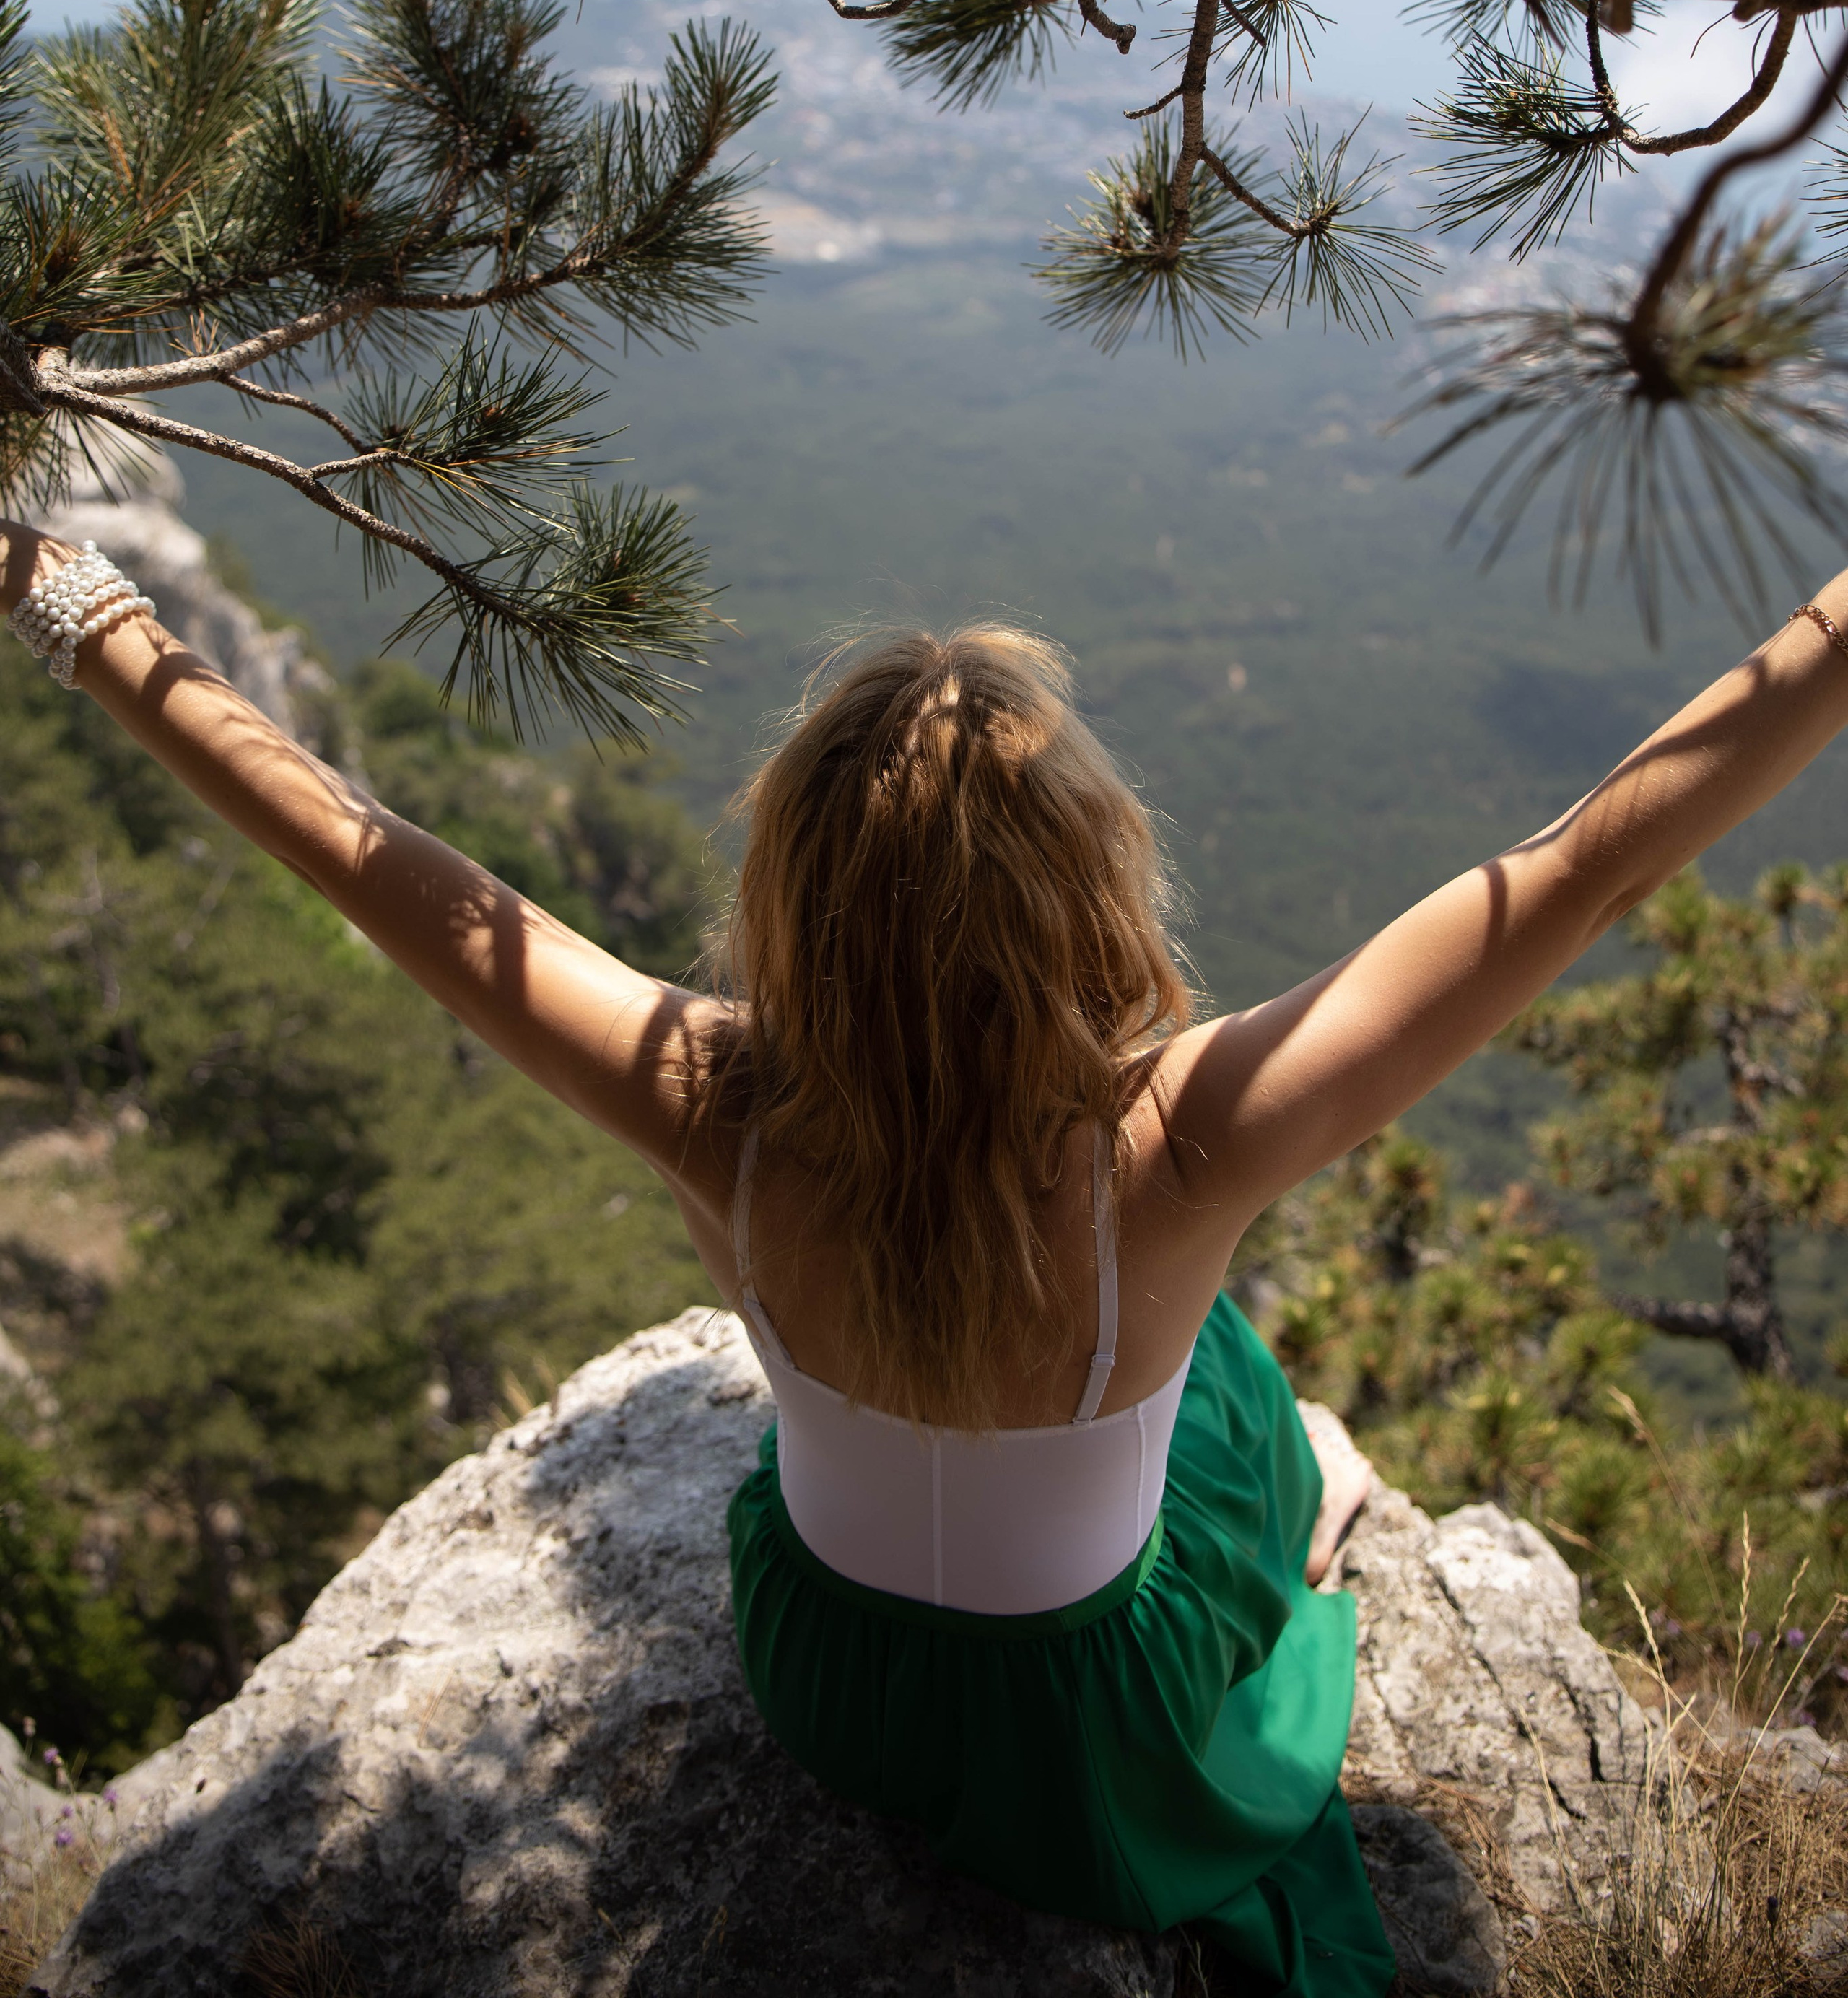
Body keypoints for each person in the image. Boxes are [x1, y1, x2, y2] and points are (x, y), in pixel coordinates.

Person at [9, 523, 1848, 1994]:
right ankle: (1324, 1495)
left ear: (790, 900)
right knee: (1237, 1403)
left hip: (835, 1677)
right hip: (1091, 1738)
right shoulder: (1178, 1144)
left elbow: (364, 854)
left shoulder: (703, 1102)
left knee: (1172, 1390)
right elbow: (1586, 869)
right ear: (1088, 901)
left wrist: (86, 611)